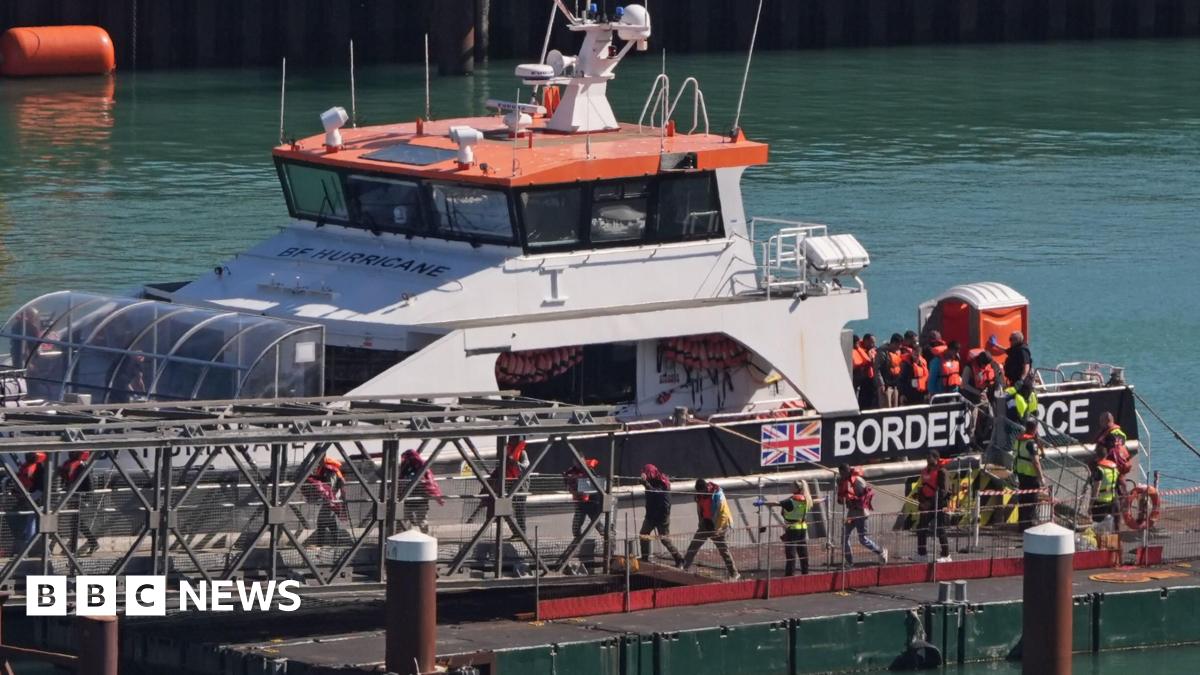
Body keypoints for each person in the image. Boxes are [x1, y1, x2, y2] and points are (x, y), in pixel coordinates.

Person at [682, 478, 739, 579]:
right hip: (706, 524)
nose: (699, 494)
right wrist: (701, 523)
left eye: (701, 491)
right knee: (693, 546)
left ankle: (734, 573)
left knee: (723, 550)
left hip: (718, 525)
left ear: (705, 488)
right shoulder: (699, 496)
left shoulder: (717, 495)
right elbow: (700, 509)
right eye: (698, 492)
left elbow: (723, 514)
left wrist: (718, 530)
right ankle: (683, 568)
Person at [837, 465, 887, 566]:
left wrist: (854, 501)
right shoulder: (842, 482)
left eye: (843, 472)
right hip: (851, 514)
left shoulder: (858, 480)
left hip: (861, 514)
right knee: (844, 536)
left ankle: (881, 551)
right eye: (840, 473)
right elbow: (841, 500)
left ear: (847, 471)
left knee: (862, 539)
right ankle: (849, 561)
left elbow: (866, 497)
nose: (841, 475)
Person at [638, 464, 683, 565]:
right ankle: (645, 558)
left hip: (662, 516)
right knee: (643, 534)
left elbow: (656, 493)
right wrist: (643, 481)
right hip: (651, 515)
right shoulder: (650, 480)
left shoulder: (663, 482)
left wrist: (645, 483)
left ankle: (679, 558)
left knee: (664, 539)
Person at [58, 450, 100, 556]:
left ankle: (73, 549)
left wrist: (88, 498)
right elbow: (66, 478)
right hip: (72, 497)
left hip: (80, 497)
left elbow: (89, 482)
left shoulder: (82, 465)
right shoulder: (68, 464)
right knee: (76, 523)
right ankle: (92, 543)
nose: (70, 454)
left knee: (76, 523)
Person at [916, 452, 952, 562]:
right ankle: (922, 554)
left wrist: (931, 503)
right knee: (921, 528)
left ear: (936, 459)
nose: (927, 460)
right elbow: (923, 487)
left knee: (940, 528)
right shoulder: (925, 471)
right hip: (927, 504)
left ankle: (946, 555)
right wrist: (922, 501)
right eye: (926, 458)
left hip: (939, 504)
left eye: (929, 458)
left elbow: (943, 491)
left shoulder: (942, 472)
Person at [303, 456, 349, 545]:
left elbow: (331, 486)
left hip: (333, 498)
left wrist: (322, 493)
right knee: (330, 520)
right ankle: (335, 543)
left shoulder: (329, 469)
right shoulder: (325, 468)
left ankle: (321, 544)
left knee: (321, 521)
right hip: (330, 499)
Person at [399, 449, 445, 533]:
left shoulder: (421, 467)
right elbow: (400, 482)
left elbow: (430, 483)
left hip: (419, 500)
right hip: (408, 501)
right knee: (405, 521)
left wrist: (438, 497)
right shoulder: (405, 468)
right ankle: (407, 538)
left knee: (421, 521)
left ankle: (425, 537)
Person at [1012, 420, 1045, 529]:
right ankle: (1029, 526)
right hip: (1030, 475)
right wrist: (1042, 478)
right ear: (1035, 429)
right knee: (1032, 500)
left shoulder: (1020, 439)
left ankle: (1022, 525)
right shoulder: (1031, 443)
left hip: (1020, 473)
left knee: (1023, 500)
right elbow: (1036, 462)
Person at [774, 481, 810, 576]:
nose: (790, 487)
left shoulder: (792, 500)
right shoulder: (806, 499)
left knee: (791, 553)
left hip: (792, 528)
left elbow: (776, 503)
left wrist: (763, 503)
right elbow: (815, 501)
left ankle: (789, 575)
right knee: (803, 552)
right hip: (802, 527)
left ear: (797, 488)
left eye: (792, 486)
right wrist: (823, 499)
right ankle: (805, 572)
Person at [564, 457, 606, 539]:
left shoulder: (589, 469)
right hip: (579, 497)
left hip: (590, 497)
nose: (579, 463)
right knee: (580, 515)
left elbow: (596, 480)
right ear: (574, 462)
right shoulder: (571, 471)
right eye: (577, 462)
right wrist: (574, 489)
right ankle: (577, 534)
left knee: (592, 514)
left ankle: (602, 530)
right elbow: (568, 484)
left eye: (581, 461)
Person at [14, 451, 48, 550]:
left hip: (37, 497)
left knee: (32, 520)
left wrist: (32, 497)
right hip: (34, 495)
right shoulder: (38, 467)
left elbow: (40, 487)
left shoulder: (38, 468)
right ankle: (29, 540)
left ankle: (30, 544)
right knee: (31, 520)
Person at [1094, 412, 1132, 488]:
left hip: (1112, 463)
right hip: (1123, 462)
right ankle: (1125, 495)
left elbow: (1105, 451)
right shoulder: (1121, 433)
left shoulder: (1109, 435)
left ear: (1107, 421)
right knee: (1121, 480)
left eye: (1101, 421)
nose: (1100, 424)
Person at [1091, 455, 1121, 533]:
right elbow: (1117, 485)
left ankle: (1099, 542)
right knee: (1114, 524)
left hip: (1101, 501)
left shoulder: (1100, 469)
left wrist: (1090, 505)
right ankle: (1115, 541)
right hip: (1113, 499)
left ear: (1097, 455)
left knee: (1098, 526)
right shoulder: (1114, 468)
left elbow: (1096, 489)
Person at [898, 332, 929, 405]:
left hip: (921, 393)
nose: (916, 356)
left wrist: (927, 392)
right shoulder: (907, 364)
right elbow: (901, 380)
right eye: (915, 354)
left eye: (918, 354)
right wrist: (902, 394)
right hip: (909, 393)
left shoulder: (923, 363)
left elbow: (927, 379)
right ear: (912, 353)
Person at [852, 334, 880, 410]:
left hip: (872, 382)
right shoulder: (855, 352)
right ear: (865, 341)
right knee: (864, 403)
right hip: (862, 383)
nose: (873, 345)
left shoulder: (873, 351)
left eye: (874, 342)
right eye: (872, 342)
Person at [878, 334, 904, 408]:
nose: (900, 347)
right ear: (894, 343)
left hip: (895, 386)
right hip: (886, 387)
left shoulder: (897, 353)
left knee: (895, 408)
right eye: (899, 345)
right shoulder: (882, 353)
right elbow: (877, 369)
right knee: (886, 408)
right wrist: (881, 384)